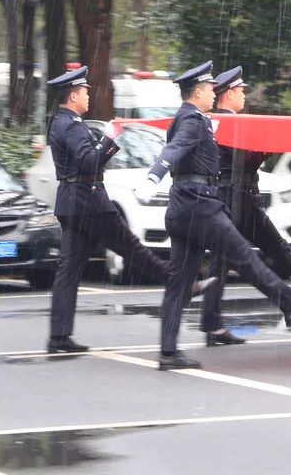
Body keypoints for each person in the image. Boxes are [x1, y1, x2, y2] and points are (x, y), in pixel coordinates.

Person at [135, 62, 291, 370]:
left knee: (180, 282)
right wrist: (153, 176)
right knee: (247, 260)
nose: (214, 94)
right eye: (210, 89)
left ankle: (168, 352)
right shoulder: (193, 121)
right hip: (202, 208)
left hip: (181, 209)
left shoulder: (189, 119)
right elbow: (174, 149)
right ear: (197, 92)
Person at [43, 66, 213, 355]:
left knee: (69, 271)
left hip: (73, 201)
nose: (87, 96)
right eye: (84, 92)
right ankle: (183, 285)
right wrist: (109, 139)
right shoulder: (70, 125)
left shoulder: (61, 122)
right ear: (73, 96)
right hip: (90, 202)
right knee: (133, 249)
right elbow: (89, 162)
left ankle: (59, 336)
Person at [200, 66, 291, 346]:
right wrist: (268, 147)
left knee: (222, 263)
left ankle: (212, 326)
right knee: (275, 248)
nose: (244, 95)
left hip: (232, 196)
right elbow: (243, 161)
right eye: (241, 91)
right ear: (229, 93)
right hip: (237, 197)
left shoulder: (218, 121)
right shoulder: (227, 122)